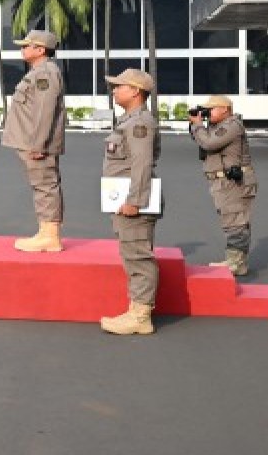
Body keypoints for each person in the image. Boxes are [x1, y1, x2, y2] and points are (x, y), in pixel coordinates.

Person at [100, 68, 161, 336]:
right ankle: (137, 309)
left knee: (138, 256)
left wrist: (135, 200)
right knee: (131, 254)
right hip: (123, 198)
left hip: (132, 201)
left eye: (119, 86)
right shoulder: (128, 120)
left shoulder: (140, 122)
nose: (114, 90)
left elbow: (142, 162)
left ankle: (140, 315)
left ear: (135, 91)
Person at [1, 30, 67, 252]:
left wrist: (39, 144)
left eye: (27, 45)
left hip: (37, 144)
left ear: (40, 50)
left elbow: (44, 111)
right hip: (31, 141)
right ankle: (45, 231)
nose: (23, 49)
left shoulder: (44, 74)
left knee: (45, 186)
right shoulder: (39, 72)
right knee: (41, 186)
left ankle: (50, 236)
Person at [189, 95, 256, 276]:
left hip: (233, 181)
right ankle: (235, 259)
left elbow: (209, 143)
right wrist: (197, 126)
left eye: (211, 109)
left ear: (225, 109)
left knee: (235, 220)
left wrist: (198, 125)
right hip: (223, 181)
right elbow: (203, 142)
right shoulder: (217, 126)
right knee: (231, 219)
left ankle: (236, 262)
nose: (207, 112)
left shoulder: (232, 125)